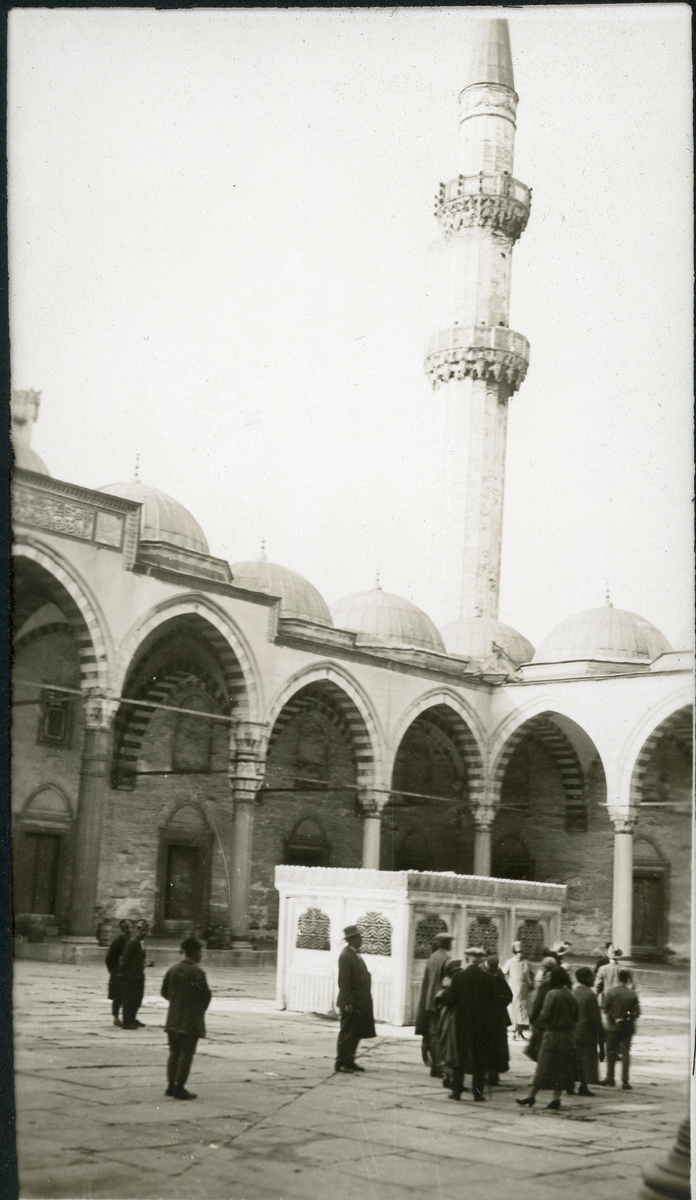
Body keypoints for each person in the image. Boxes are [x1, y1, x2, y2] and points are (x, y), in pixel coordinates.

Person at [516, 964, 579, 1110]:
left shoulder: (552, 994)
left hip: (552, 1035)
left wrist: (539, 1023)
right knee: (562, 1068)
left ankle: (531, 1096)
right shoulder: (570, 994)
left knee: (543, 1067)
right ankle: (556, 1098)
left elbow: (545, 1015)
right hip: (568, 1036)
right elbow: (576, 1016)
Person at [161, 935, 211, 1101]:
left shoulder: (172, 970)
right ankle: (180, 1087)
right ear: (195, 952)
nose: (201, 955)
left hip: (173, 1018)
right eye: (200, 951)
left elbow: (164, 992)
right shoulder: (197, 972)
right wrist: (197, 1010)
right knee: (186, 1054)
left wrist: (176, 1001)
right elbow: (205, 996)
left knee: (174, 1053)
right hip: (189, 1020)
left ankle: (170, 1085)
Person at [448, 947, 496, 1102]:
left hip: (462, 1021)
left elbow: (451, 1000)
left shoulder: (458, 977)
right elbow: (494, 1002)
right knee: (480, 1058)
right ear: (481, 960)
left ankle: (456, 1091)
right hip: (482, 1023)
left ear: (467, 959)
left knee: (459, 1056)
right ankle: (477, 1093)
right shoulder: (488, 978)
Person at [335, 925, 376, 1073]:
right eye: (358, 938)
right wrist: (348, 1002)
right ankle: (341, 1062)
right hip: (351, 1002)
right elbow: (343, 981)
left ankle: (350, 1060)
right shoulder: (346, 955)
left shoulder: (355, 954)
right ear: (352, 939)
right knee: (347, 1033)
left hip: (360, 1001)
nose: (361, 940)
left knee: (356, 1033)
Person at [415, 932, 453, 1077]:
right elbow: (447, 984)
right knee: (440, 1036)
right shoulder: (447, 959)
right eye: (449, 941)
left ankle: (435, 1064)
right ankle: (438, 1066)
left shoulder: (432, 957)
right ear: (445, 943)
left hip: (429, 1002)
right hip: (440, 1003)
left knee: (433, 1034)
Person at [601, 969, 641, 1089]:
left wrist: (615, 1017)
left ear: (618, 978)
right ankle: (625, 1081)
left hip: (613, 1027)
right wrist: (627, 1017)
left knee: (611, 1052)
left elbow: (605, 1008)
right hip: (627, 1027)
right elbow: (636, 1012)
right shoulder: (632, 994)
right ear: (628, 979)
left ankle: (610, 1078)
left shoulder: (611, 992)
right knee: (625, 1053)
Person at [572, 966, 604, 1095]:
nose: (594, 979)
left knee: (574, 1059)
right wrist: (601, 1036)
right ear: (585, 979)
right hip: (587, 1032)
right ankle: (583, 1086)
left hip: (574, 1031)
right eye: (591, 977)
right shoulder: (590, 995)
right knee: (586, 1060)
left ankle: (570, 1085)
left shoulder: (573, 992)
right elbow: (596, 1017)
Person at [434, 959, 462, 1092]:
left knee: (448, 1046)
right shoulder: (448, 983)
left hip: (448, 1017)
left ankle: (449, 1076)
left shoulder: (449, 983)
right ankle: (448, 1076)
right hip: (449, 1017)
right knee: (449, 1046)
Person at [484, 955, 513, 1085]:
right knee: (495, 1048)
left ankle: (490, 1074)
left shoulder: (487, 974)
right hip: (498, 1018)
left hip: (488, 1018)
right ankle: (493, 1074)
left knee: (489, 1047)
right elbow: (508, 995)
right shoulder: (498, 976)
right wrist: (500, 1005)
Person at [525, 956, 557, 1062]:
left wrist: (533, 1016)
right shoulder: (557, 980)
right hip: (554, 1020)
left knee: (541, 1049)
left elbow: (538, 1002)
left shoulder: (547, 982)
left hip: (543, 1018)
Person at [120, 919, 150, 1029]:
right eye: (142, 930)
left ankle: (132, 1018)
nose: (144, 933)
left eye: (146, 931)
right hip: (131, 975)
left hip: (139, 974)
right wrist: (125, 973)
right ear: (137, 930)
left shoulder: (141, 942)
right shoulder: (133, 942)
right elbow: (125, 958)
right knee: (130, 999)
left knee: (138, 998)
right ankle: (127, 1022)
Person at [502, 941, 534, 1039]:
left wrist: (530, 983)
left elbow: (531, 974)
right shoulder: (510, 962)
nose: (520, 954)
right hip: (513, 989)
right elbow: (503, 972)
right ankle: (515, 1033)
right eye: (518, 952)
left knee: (523, 1011)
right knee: (515, 1010)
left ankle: (520, 1032)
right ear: (514, 952)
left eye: (522, 951)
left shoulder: (526, 963)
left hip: (523, 989)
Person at [105, 919, 131, 1027]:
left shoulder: (131, 941)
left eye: (130, 928)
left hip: (128, 973)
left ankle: (129, 1017)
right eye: (127, 928)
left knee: (128, 996)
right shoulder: (117, 942)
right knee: (117, 997)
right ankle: (116, 1017)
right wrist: (113, 971)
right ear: (122, 929)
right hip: (118, 973)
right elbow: (108, 958)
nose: (129, 930)